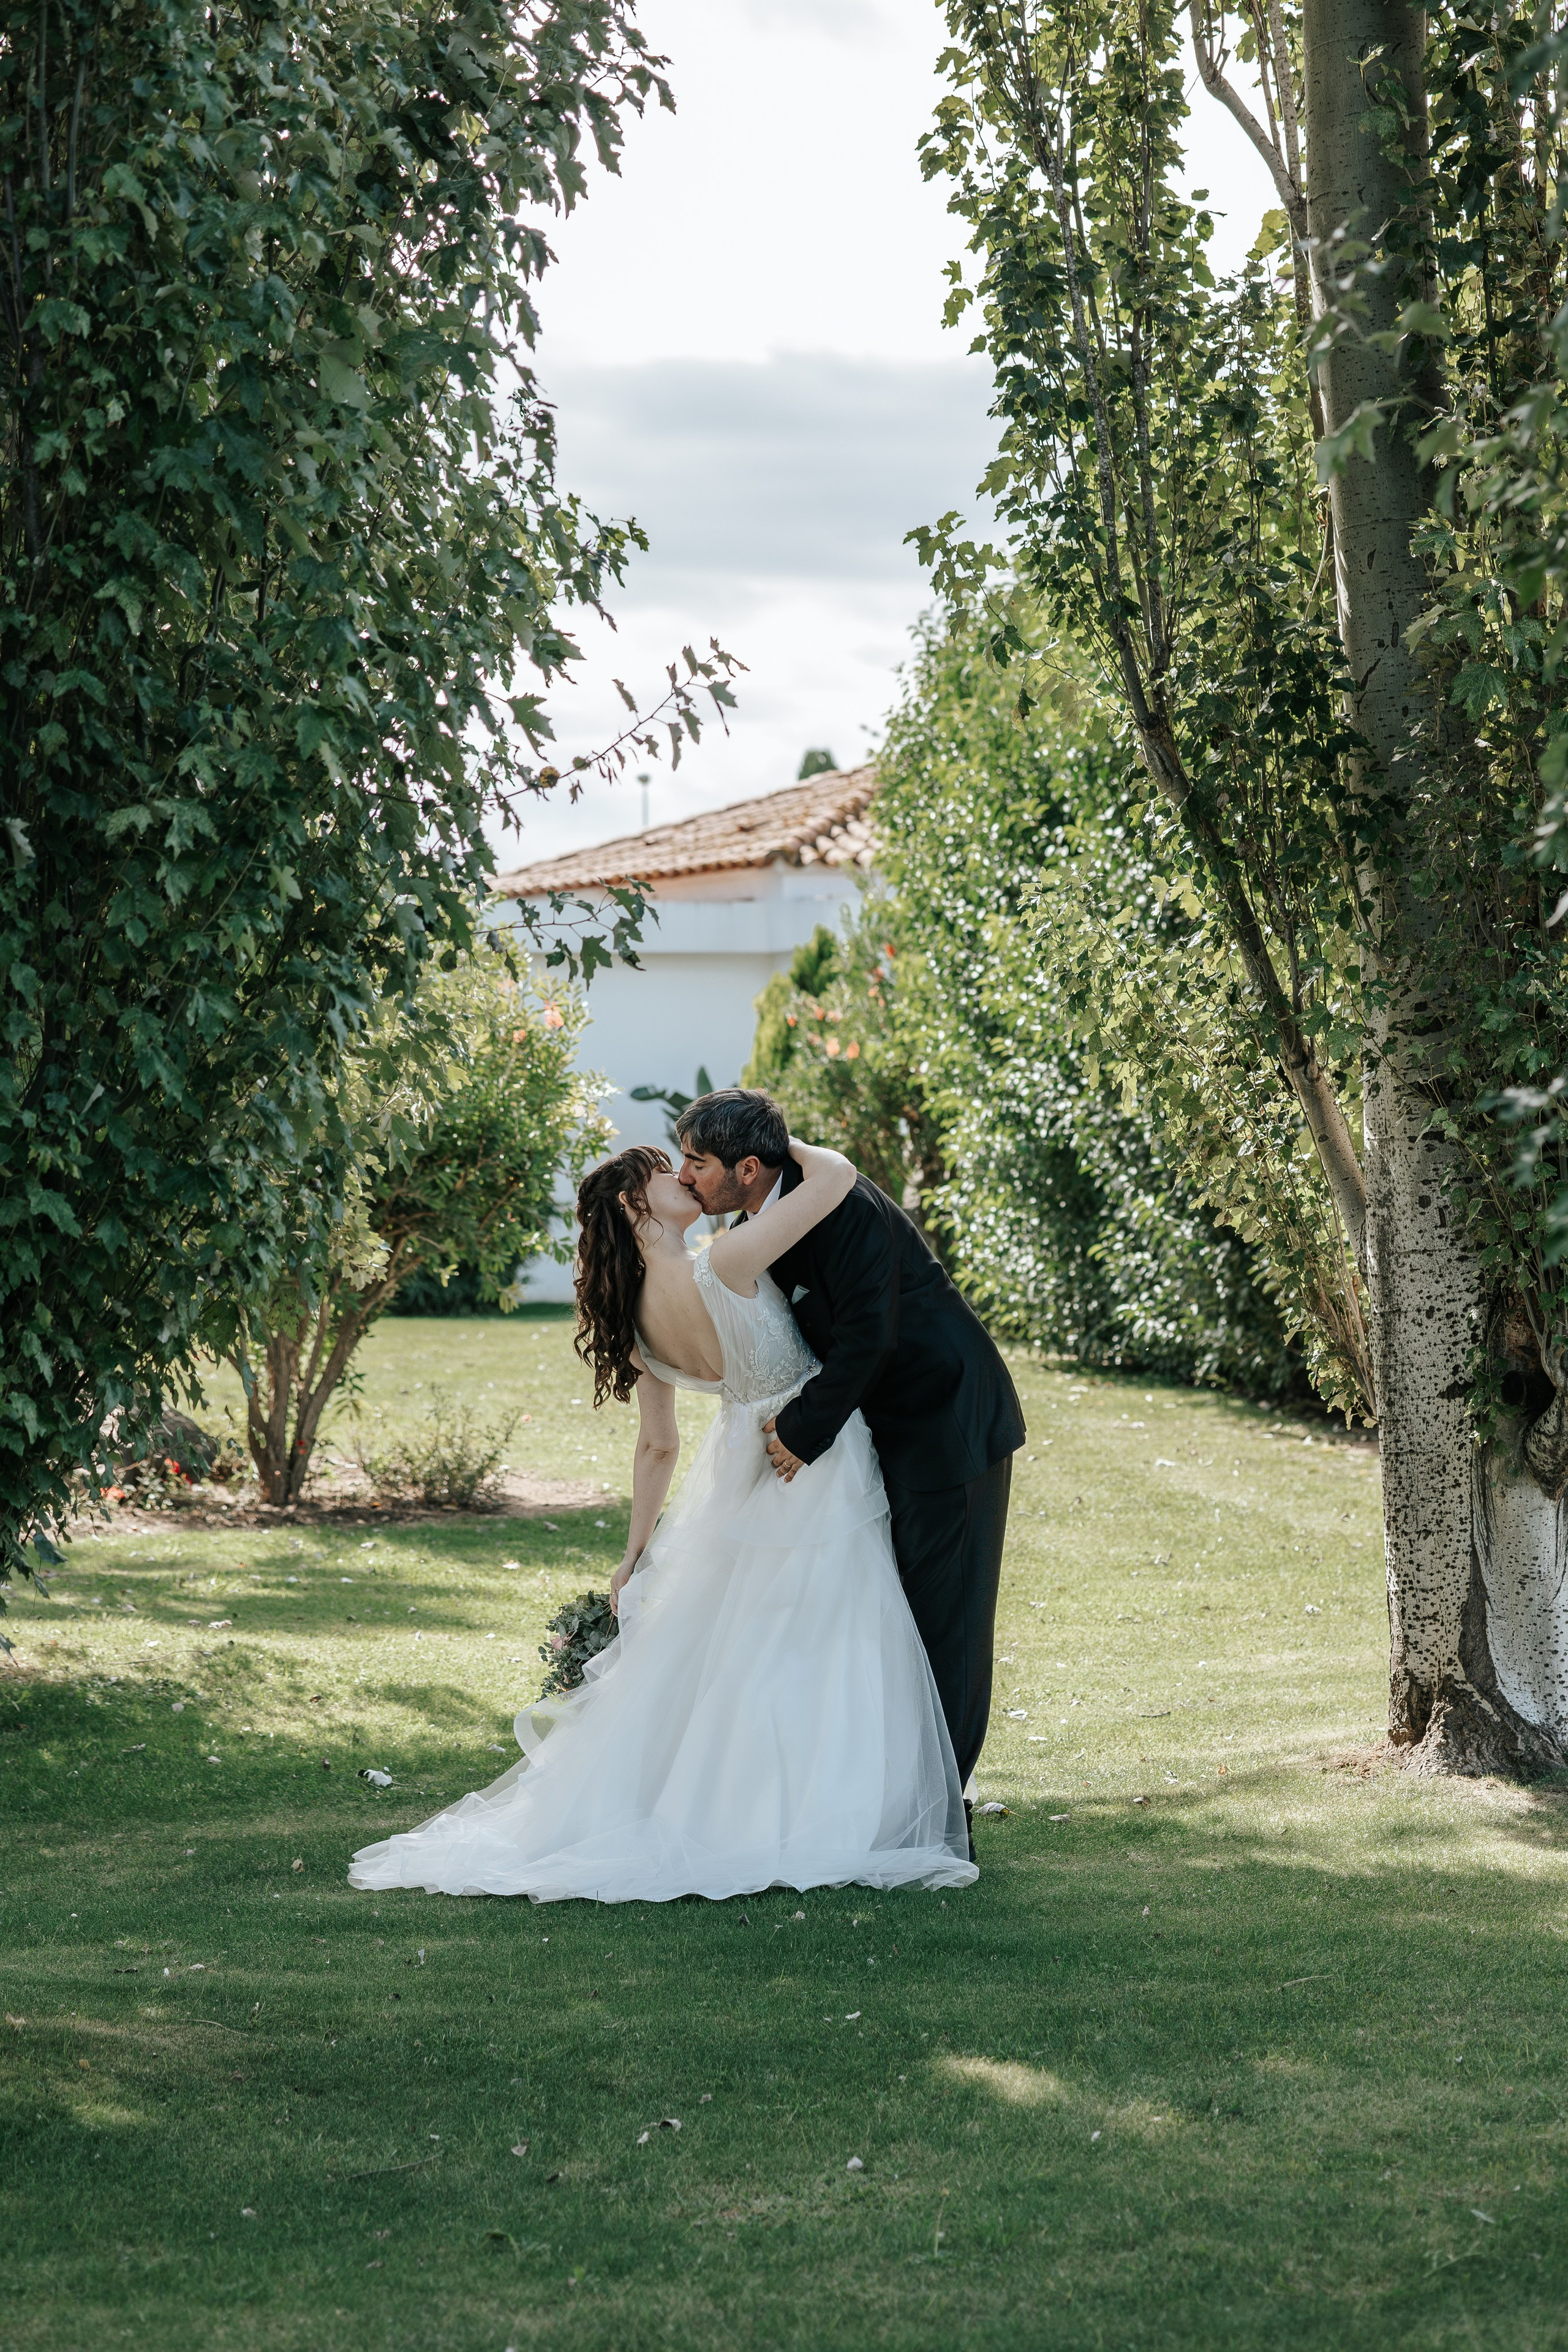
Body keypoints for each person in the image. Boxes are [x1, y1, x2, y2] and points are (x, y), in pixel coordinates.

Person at [347, 1134, 975, 1904]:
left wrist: (635, 1551)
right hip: (811, 1454)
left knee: (747, 1644)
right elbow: (838, 1178)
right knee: (825, 1632)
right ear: (633, 1202)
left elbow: (657, 1445)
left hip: (739, 1464)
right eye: (665, 1172)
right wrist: (774, 1137)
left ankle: (745, 1806)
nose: (686, 1177)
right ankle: (825, 1812)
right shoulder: (729, 1260)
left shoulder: (634, 1318)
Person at [673, 1089, 1025, 1838]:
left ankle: (940, 1814)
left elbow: (873, 1331)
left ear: (746, 1166)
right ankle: (895, 1792)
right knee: (893, 1619)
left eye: (696, 1163)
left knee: (947, 1624)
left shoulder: (840, 1206)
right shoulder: (766, 1211)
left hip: (945, 1423)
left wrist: (801, 1430)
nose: (684, 1176)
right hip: (884, 1435)